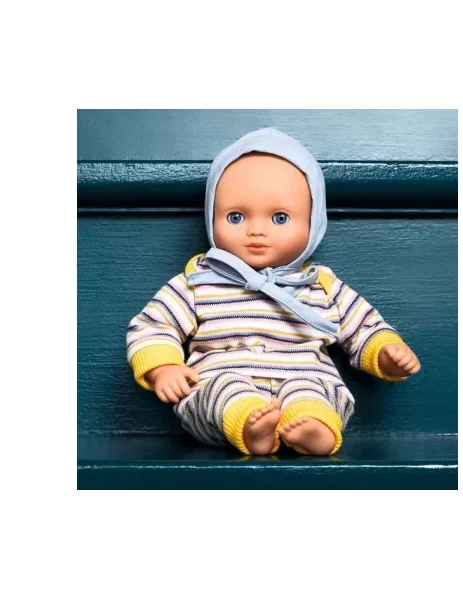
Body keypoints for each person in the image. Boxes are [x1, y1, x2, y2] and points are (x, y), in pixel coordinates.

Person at [126, 128, 420, 456]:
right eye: (235, 217)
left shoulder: (320, 284)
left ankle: (314, 427)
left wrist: (385, 351)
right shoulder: (198, 281)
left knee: (313, 390)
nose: (256, 230)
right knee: (222, 389)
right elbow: (154, 325)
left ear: (313, 222)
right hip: (222, 379)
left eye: (279, 218)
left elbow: (363, 326)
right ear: (211, 217)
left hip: (304, 373)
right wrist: (162, 367)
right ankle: (249, 425)